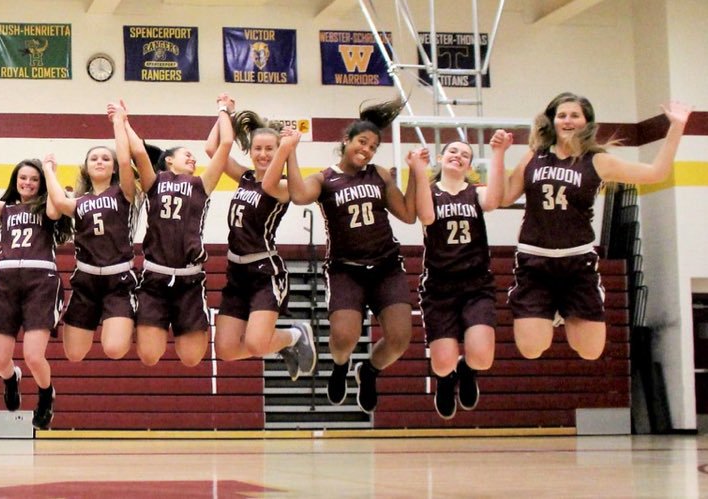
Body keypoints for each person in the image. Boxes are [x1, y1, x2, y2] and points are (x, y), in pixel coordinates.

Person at [500, 94, 692, 360]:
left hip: (577, 264)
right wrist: (497, 157)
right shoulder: (534, 156)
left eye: (574, 115)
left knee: (590, 352)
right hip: (535, 262)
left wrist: (677, 127)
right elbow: (505, 196)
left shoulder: (598, 161)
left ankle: (564, 309)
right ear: (552, 120)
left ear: (586, 122)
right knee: (531, 350)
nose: (568, 120)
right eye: (562, 115)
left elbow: (656, 173)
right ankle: (552, 311)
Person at [267, 98, 419, 414]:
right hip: (345, 270)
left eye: (373, 146)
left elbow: (407, 214)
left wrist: (416, 173)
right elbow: (297, 195)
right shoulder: (325, 179)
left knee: (400, 339)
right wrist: (291, 151)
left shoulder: (380, 175)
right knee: (343, 338)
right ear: (346, 141)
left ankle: (370, 372)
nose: (367, 149)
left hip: (386, 267)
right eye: (362, 142)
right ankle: (340, 368)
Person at [204, 95, 315, 380]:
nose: (263, 154)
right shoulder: (245, 176)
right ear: (250, 151)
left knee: (255, 343)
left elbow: (268, 182)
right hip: (236, 272)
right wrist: (224, 112)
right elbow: (211, 148)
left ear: (280, 151)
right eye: (258, 149)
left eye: (270, 149)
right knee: (227, 350)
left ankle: (294, 334)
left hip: (265, 271)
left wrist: (289, 148)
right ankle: (281, 343)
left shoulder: (283, 186)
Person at [131, 98, 234, 367]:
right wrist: (121, 119)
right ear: (168, 160)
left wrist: (224, 112)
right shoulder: (153, 182)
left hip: (189, 280)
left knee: (191, 359)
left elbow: (225, 145)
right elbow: (138, 152)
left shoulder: (201, 184)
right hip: (155, 278)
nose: (192, 157)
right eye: (185, 153)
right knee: (149, 356)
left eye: (193, 155)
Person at [408, 136, 505, 418]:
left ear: (470, 166)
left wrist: (498, 153)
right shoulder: (429, 191)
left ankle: (467, 370)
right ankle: (446, 379)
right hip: (439, 286)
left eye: (465, 154)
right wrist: (417, 168)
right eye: (452, 151)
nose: (458, 155)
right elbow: (426, 218)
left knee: (483, 358)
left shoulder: (475, 193)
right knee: (441, 363)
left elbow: (495, 201)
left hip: (476, 284)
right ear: (441, 158)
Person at [38, 103, 140, 364]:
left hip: (118, 279)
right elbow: (59, 202)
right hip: (86, 280)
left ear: (114, 167)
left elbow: (127, 159)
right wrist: (49, 169)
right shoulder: (79, 201)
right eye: (94, 158)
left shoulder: (123, 193)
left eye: (106, 158)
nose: (100, 161)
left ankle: (129, 319)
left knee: (114, 349)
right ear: (85, 167)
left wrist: (118, 122)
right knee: (73, 354)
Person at [0, 155, 71, 429]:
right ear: (15, 181)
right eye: (23, 178)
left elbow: (56, 209)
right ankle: (11, 379)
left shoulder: (48, 206)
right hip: (5, 283)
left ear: (41, 183)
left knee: (33, 355)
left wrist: (52, 169)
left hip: (40, 282)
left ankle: (45, 394)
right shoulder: (5, 209)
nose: (28, 182)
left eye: (34, 178)